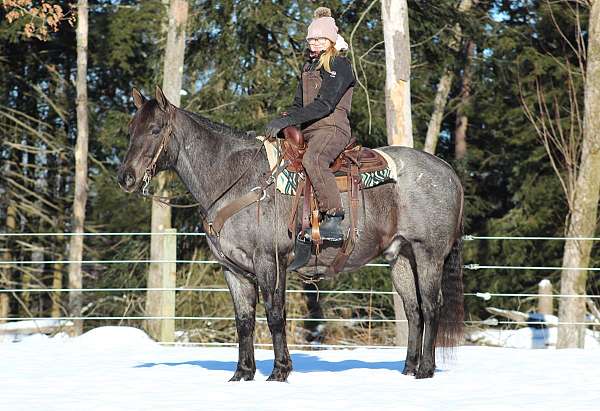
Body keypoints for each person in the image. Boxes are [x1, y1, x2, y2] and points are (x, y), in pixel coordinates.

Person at [264, 7, 355, 242]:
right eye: (311, 39)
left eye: (318, 39)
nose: (313, 44)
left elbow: (325, 105)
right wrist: (282, 120)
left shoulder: (339, 65)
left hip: (332, 128)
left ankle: (334, 219)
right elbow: (297, 104)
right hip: (309, 130)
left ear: (330, 40)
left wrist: (290, 119)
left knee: (314, 159)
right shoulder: (308, 67)